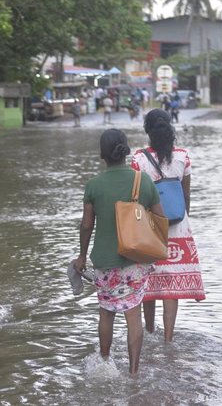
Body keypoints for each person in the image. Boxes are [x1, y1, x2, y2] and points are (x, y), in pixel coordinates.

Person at [73, 129, 164, 375]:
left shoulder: (93, 185)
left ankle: (104, 364)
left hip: (104, 260)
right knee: (133, 315)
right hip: (135, 260)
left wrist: (82, 256)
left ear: (102, 154)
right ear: (125, 150)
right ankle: (134, 372)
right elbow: (160, 218)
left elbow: (86, 225)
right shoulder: (143, 181)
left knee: (106, 312)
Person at [131, 109, 206, 342]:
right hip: (179, 229)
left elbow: (136, 199)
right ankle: (169, 339)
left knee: (149, 283)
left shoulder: (139, 159)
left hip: (150, 229)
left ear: (148, 131)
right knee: (172, 286)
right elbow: (186, 196)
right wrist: (182, 221)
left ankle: (150, 331)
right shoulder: (183, 156)